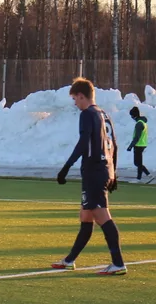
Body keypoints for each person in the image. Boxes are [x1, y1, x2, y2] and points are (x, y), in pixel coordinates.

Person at [54, 78, 126, 275]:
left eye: (75, 99)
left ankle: (118, 263)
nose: (75, 103)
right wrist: (114, 173)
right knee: (86, 217)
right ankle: (69, 260)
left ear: (81, 96)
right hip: (103, 170)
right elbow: (114, 145)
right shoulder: (104, 115)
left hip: (94, 171)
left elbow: (84, 142)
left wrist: (66, 167)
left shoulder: (88, 114)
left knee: (102, 216)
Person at [126, 105, 151, 181]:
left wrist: (131, 146)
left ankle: (144, 176)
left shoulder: (139, 124)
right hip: (142, 144)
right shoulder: (143, 122)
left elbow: (137, 136)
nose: (131, 117)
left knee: (137, 163)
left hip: (138, 145)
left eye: (131, 116)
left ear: (134, 116)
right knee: (138, 162)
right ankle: (142, 177)